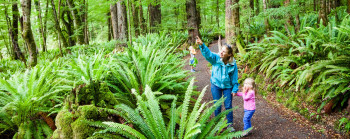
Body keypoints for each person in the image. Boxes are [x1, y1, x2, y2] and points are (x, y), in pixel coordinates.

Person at [195, 36, 239, 132]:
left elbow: (234, 78)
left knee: (228, 105)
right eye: (221, 50)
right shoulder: (215, 58)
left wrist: (235, 88)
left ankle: (229, 124)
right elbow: (208, 54)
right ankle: (217, 124)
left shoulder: (233, 64)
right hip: (216, 85)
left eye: (224, 52)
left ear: (229, 54)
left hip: (228, 87)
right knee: (217, 105)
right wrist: (202, 45)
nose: (221, 53)